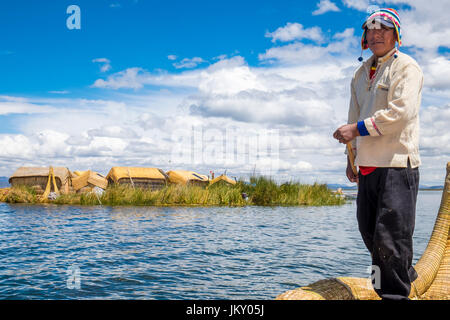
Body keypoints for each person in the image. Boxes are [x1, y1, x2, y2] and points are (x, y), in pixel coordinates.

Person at [333, 8, 423, 300]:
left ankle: (394, 295)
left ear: (395, 35)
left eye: (383, 29)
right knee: (370, 233)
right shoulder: (360, 74)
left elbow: (401, 114)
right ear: (364, 38)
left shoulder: (406, 67)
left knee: (391, 237)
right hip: (368, 165)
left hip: (397, 165)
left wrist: (355, 130)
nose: (376, 35)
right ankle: (402, 277)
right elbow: (353, 114)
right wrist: (351, 158)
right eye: (371, 30)